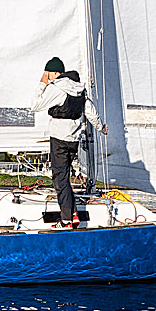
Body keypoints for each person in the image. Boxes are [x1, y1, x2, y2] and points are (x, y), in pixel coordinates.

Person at [31, 57, 106, 228]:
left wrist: (42, 84)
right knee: (63, 178)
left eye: (48, 74)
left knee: (60, 178)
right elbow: (90, 111)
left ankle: (66, 219)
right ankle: (73, 214)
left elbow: (35, 105)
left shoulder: (57, 89)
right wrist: (101, 127)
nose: (47, 77)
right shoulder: (80, 90)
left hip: (59, 139)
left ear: (56, 73)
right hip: (73, 140)